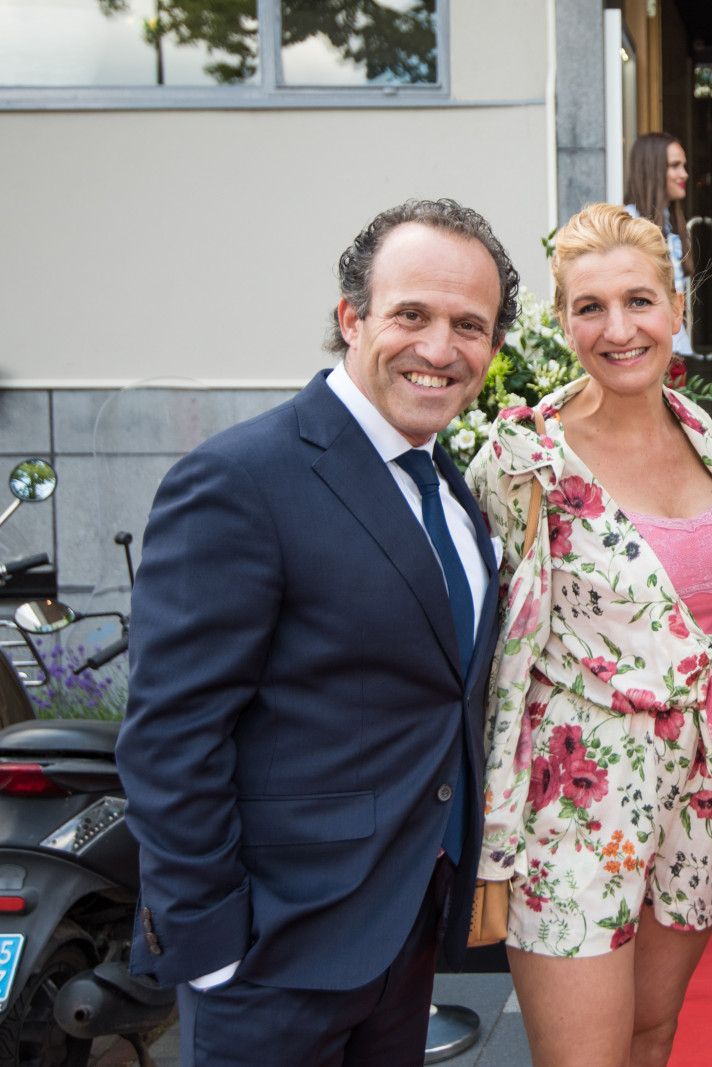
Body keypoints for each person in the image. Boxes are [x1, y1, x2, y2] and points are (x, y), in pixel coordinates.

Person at [117, 198, 516, 1065]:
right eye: (411, 314)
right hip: (271, 957)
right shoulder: (239, 480)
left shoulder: (451, 487)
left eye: (469, 325)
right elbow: (170, 738)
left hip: (404, 935)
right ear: (351, 318)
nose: (440, 348)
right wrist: (214, 952)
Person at [467, 202, 712, 1067]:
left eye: (639, 300)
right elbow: (476, 644)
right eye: (589, 307)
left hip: (696, 795)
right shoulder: (524, 460)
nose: (619, 328)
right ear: (563, 322)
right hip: (572, 802)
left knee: (652, 1036)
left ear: (677, 306)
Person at [625, 131, 695, 368]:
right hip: (642, 352)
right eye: (675, 166)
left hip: (673, 348)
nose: (684, 174)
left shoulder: (670, 223)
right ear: (652, 169)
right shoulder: (628, 224)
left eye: (683, 165)